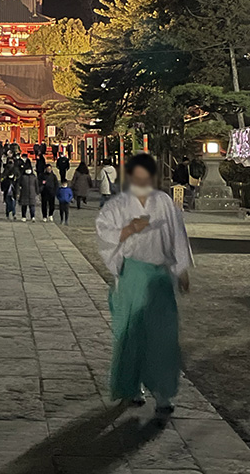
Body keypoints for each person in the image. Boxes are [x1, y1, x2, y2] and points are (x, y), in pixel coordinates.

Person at [96, 153, 192, 421]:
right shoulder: (118, 205)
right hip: (132, 274)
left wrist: (181, 269)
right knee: (131, 332)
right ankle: (132, 386)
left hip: (159, 275)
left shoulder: (164, 203)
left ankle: (163, 393)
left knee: (162, 334)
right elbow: (104, 232)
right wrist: (126, 231)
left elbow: (177, 236)